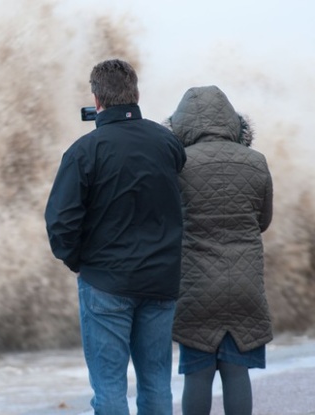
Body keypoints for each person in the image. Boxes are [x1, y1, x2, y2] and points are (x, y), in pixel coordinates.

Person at [44, 59, 186, 415]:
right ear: (135, 94)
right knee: (156, 382)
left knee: (109, 387)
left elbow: (61, 222)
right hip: (160, 280)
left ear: (96, 99)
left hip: (106, 282)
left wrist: (80, 262)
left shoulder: (85, 150)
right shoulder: (167, 143)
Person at [165, 85, 274, 415]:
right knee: (236, 371)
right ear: (231, 121)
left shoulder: (178, 165)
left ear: (181, 124)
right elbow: (263, 221)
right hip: (244, 285)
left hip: (196, 287)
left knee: (197, 374)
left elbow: (171, 222)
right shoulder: (256, 162)